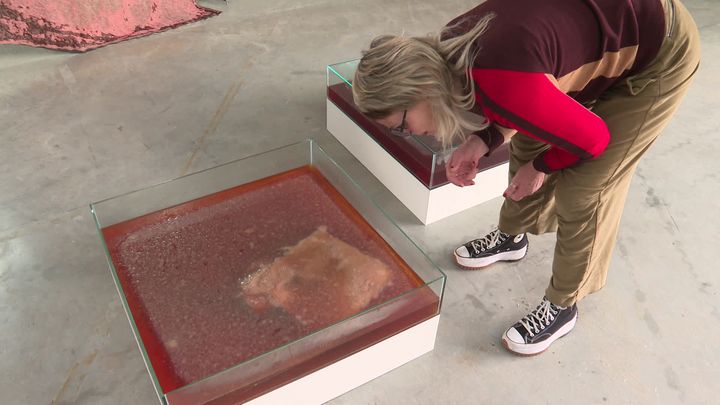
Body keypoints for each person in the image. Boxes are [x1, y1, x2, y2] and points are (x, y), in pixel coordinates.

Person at [352, 0, 700, 355]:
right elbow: (516, 98)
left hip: (661, 50)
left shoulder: (499, 78)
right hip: (610, 25)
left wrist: (542, 168)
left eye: (401, 126)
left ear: (420, 90)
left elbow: (593, 139)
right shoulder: (447, 52)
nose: (408, 134)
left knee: (586, 189)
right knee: (531, 140)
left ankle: (564, 305)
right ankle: (512, 239)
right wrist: (482, 141)